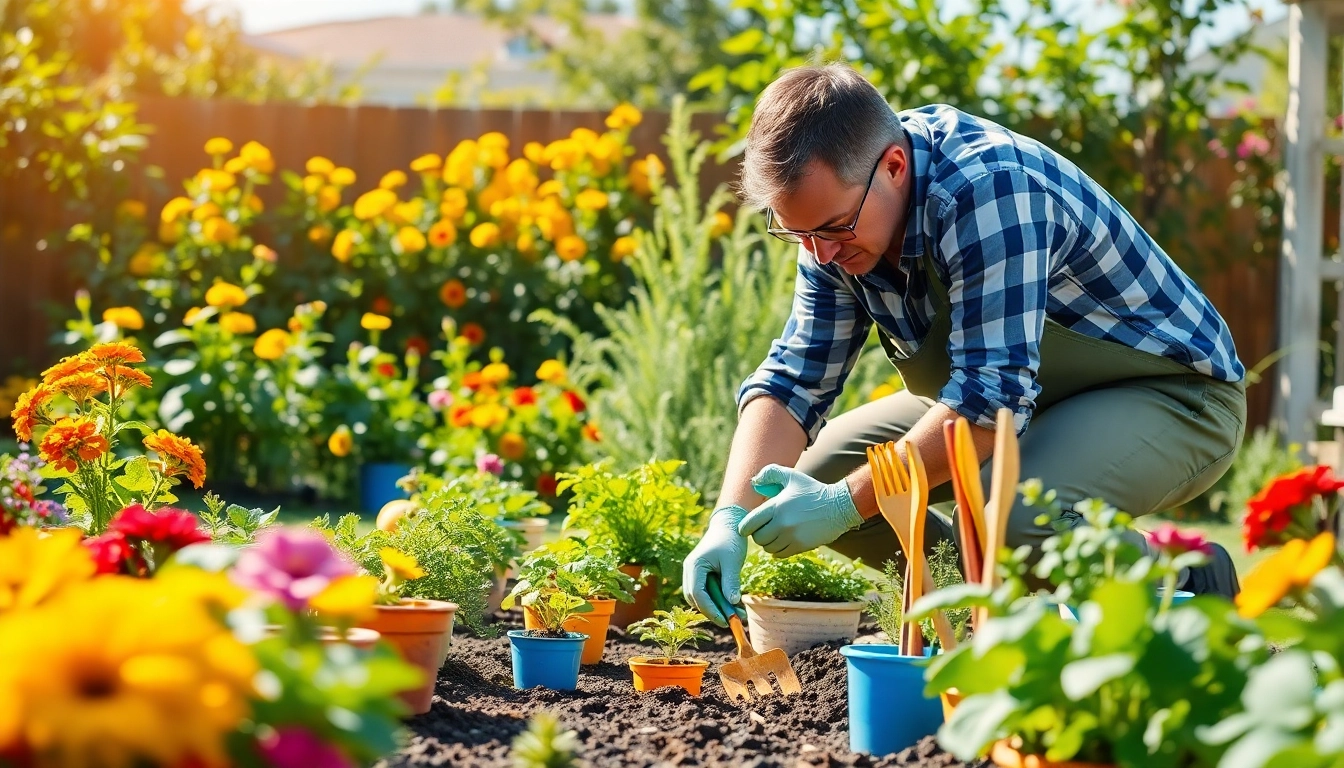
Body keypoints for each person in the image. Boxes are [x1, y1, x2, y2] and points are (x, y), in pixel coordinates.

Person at [683, 63, 1246, 627]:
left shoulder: (988, 188)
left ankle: (1184, 572)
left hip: (1172, 393)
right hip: (1019, 394)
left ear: (895, 167)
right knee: (826, 469)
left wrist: (846, 506)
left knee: (1017, 520)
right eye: (797, 233)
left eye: (831, 229)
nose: (819, 254)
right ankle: (970, 612)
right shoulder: (836, 224)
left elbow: (989, 401)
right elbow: (794, 378)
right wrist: (729, 519)